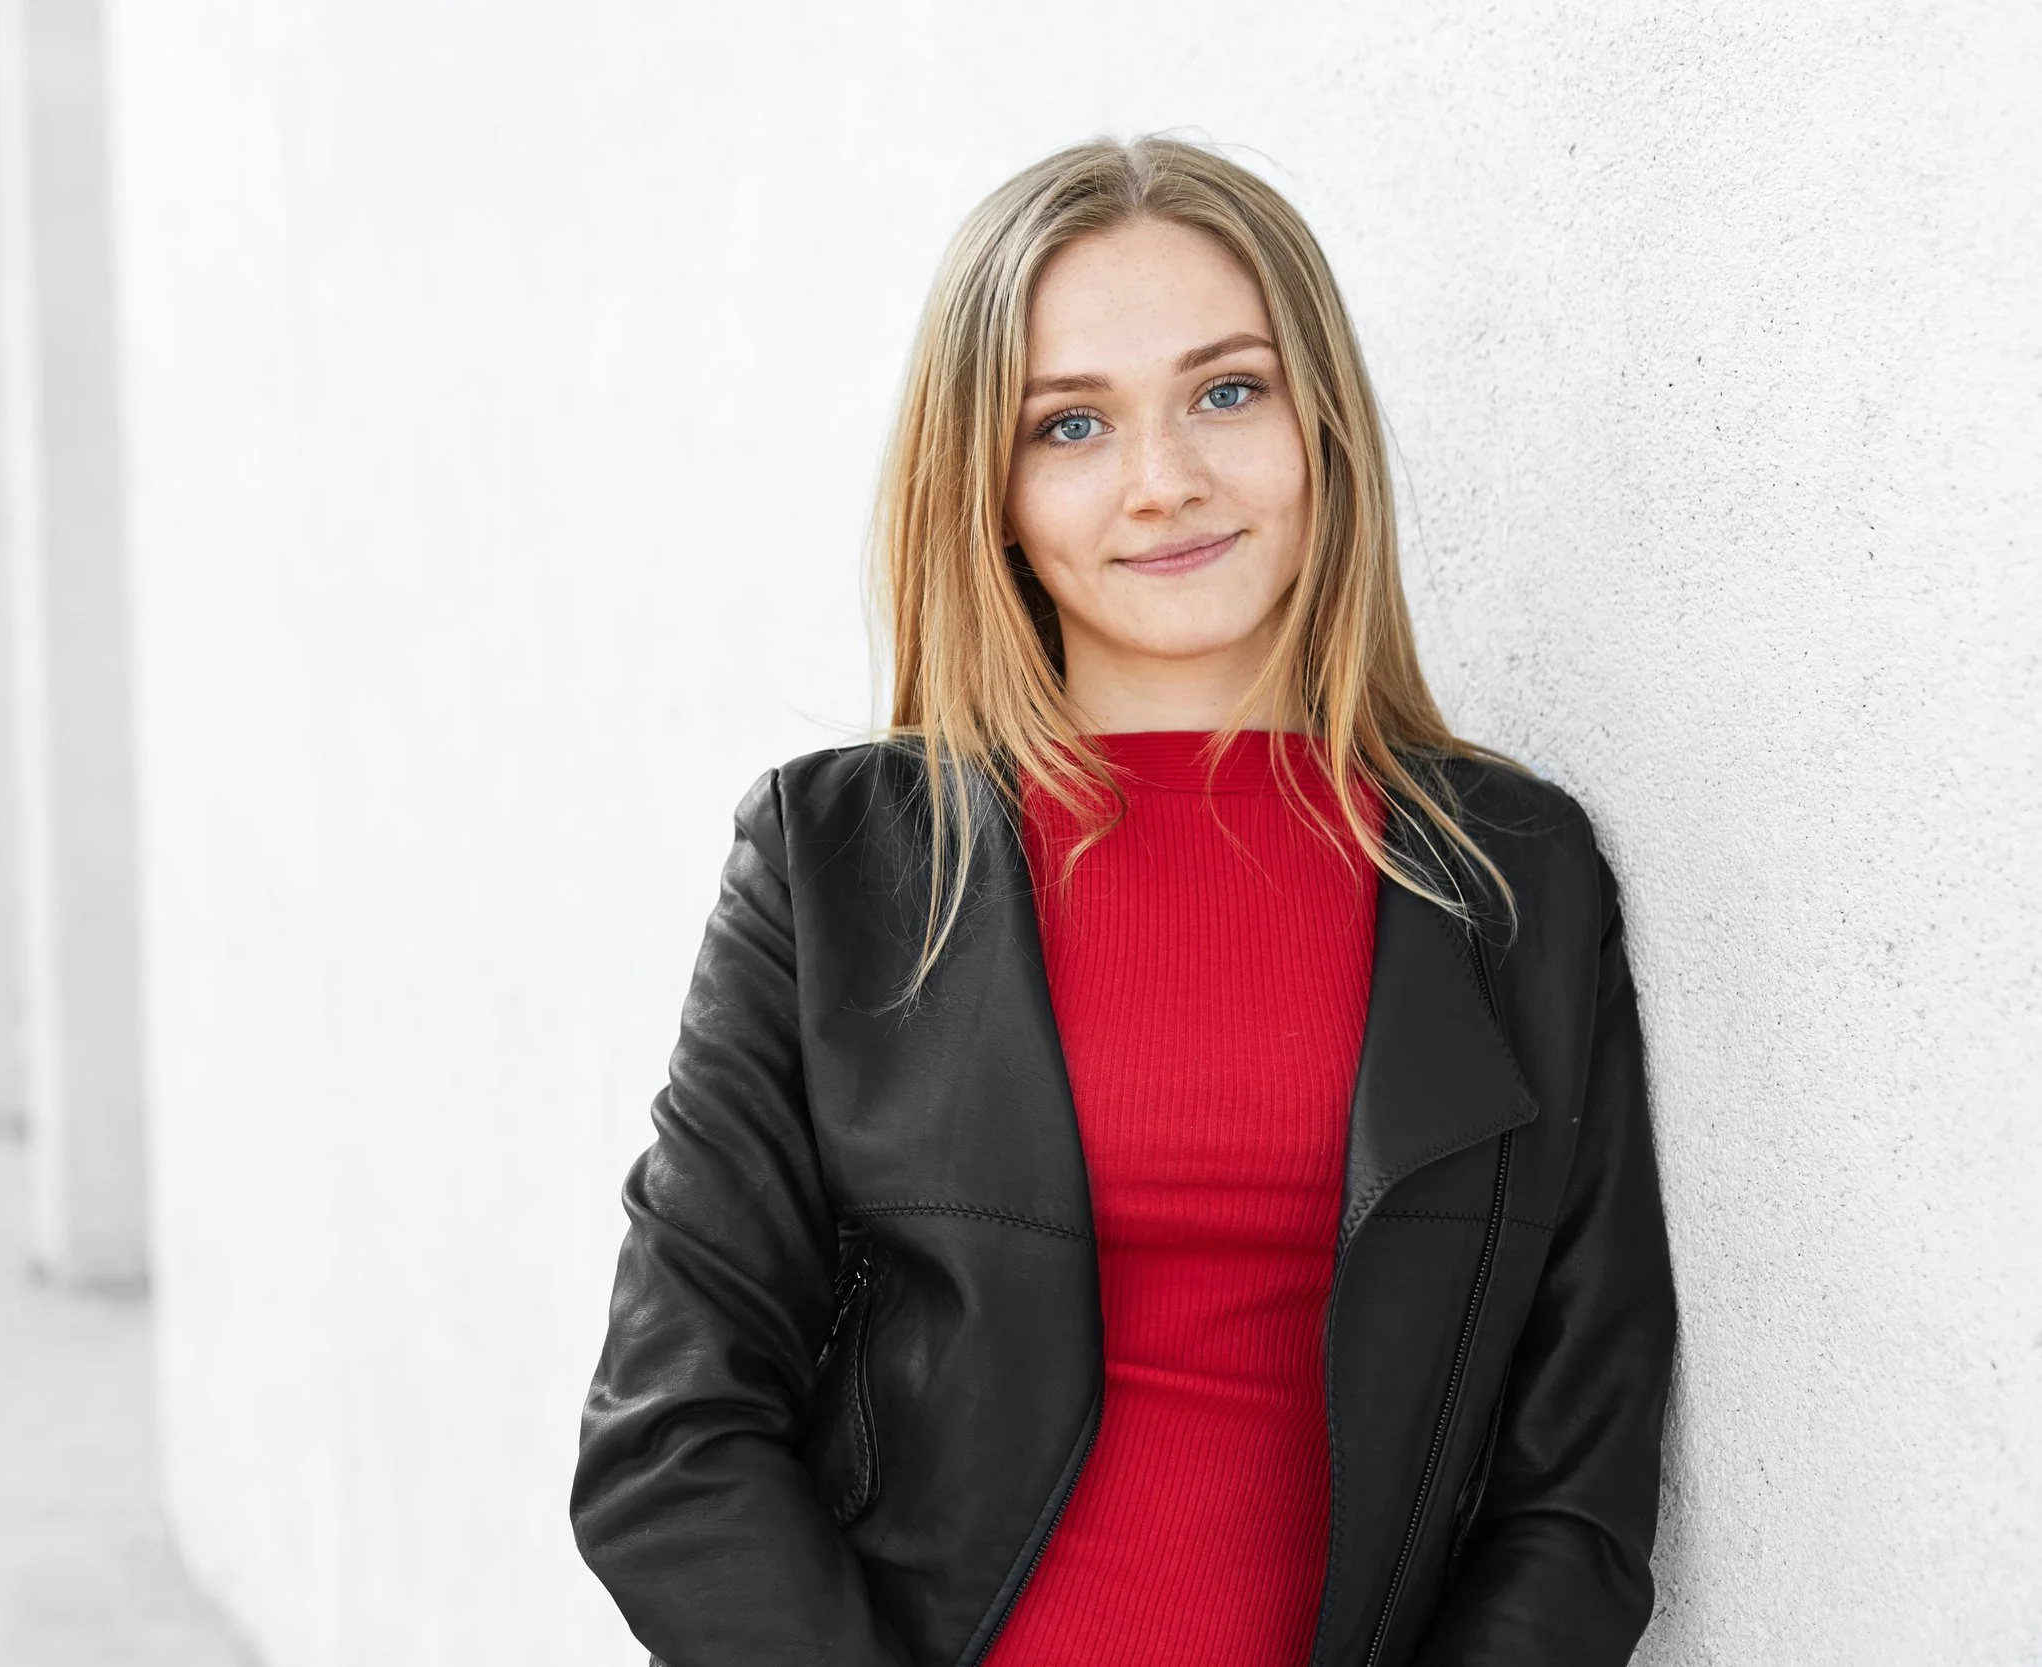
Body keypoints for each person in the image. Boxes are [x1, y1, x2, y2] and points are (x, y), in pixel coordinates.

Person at [569, 133, 1677, 1667]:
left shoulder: (1514, 878)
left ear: (1322, 423)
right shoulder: (838, 860)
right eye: (1072, 425)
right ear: (992, 488)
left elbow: (1580, 1482)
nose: (1166, 483)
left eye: (1229, 391)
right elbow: (669, 1438)